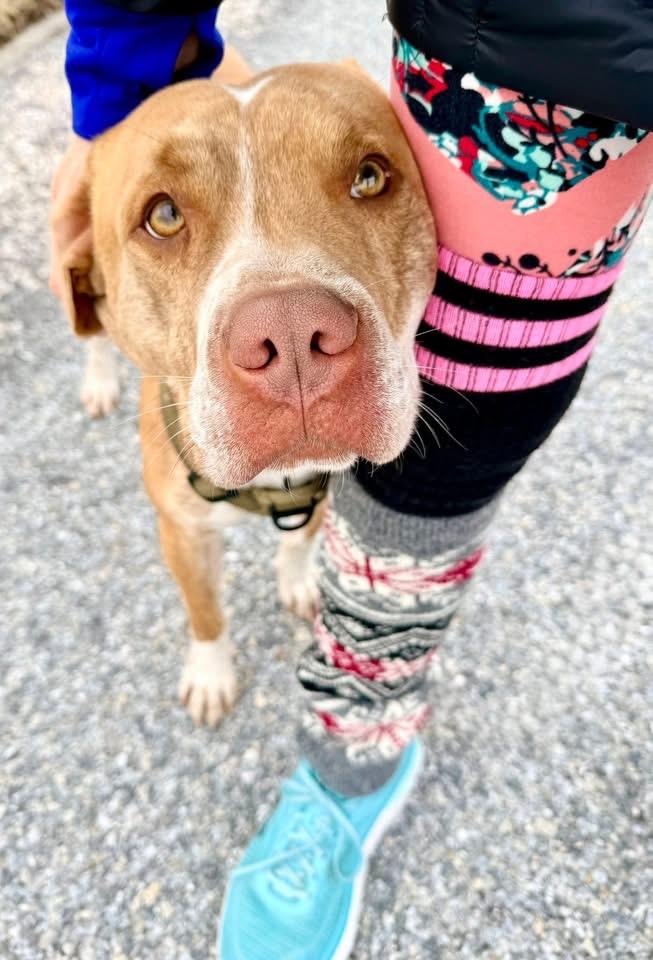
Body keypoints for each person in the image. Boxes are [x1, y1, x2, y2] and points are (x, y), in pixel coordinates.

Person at [50, 2, 653, 958]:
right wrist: (121, 88)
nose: (291, 332)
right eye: (163, 218)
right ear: (85, 280)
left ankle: (356, 745)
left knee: (447, 458)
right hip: (507, 26)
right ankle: (242, 634)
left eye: (368, 178)